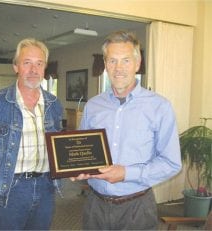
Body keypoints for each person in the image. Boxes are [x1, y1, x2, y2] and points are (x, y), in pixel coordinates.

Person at [71, 31, 182, 230]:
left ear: (137, 64)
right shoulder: (93, 106)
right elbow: (84, 152)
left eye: (126, 60)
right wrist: (78, 169)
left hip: (137, 208)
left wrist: (126, 173)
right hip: (94, 206)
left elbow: (171, 163)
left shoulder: (160, 107)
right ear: (105, 65)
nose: (118, 68)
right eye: (112, 61)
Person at [0, 38, 63, 230]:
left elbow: (58, 146)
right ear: (16, 67)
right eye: (27, 63)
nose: (33, 70)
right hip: (10, 188)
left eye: (39, 63)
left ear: (45, 68)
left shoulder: (54, 104)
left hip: (46, 187)